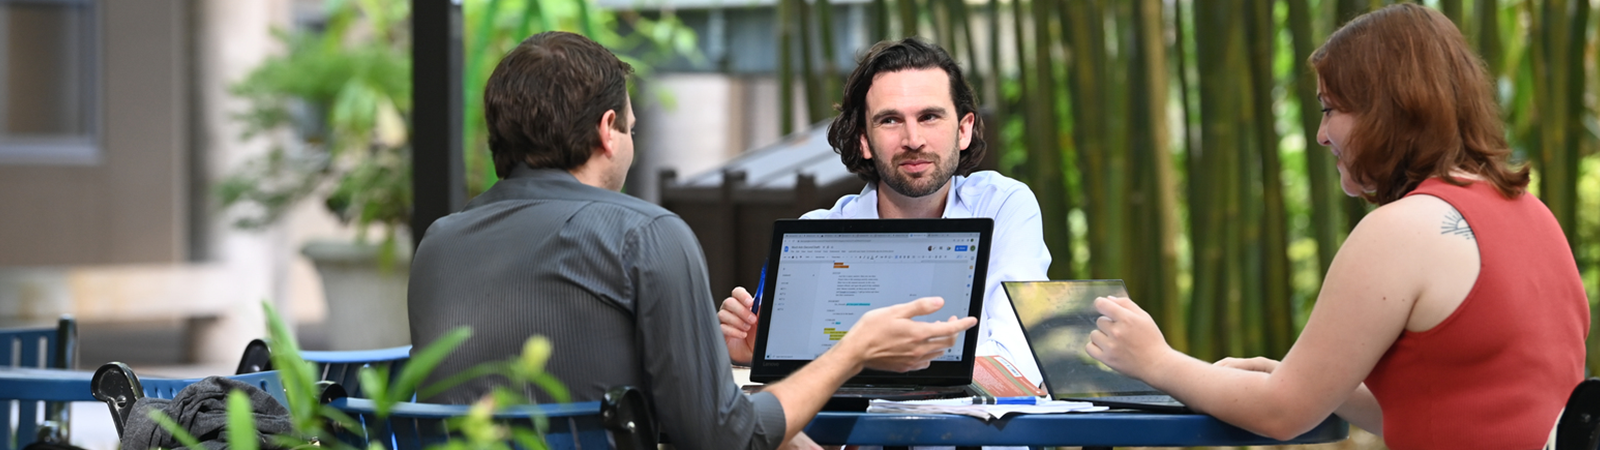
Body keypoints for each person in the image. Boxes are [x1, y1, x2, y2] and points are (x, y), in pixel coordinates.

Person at [407, 31, 977, 450]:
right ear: (608, 131)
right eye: (632, 128)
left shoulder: (438, 244)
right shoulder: (646, 235)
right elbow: (725, 439)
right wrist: (854, 349)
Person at [1084, 5, 1588, 450]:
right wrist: (1314, 381)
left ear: (1391, 109)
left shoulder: (1402, 230)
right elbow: (1447, 405)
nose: (1322, 136)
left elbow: (1281, 414)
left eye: (1331, 110)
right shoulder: (1529, 210)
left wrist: (1156, 361)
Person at [719, 38, 1052, 385]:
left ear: (964, 129)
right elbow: (795, 383)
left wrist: (872, 365)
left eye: (929, 116)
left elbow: (1020, 358)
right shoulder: (817, 235)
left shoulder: (1002, 207)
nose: (913, 139)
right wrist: (749, 354)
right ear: (863, 139)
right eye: (891, 120)